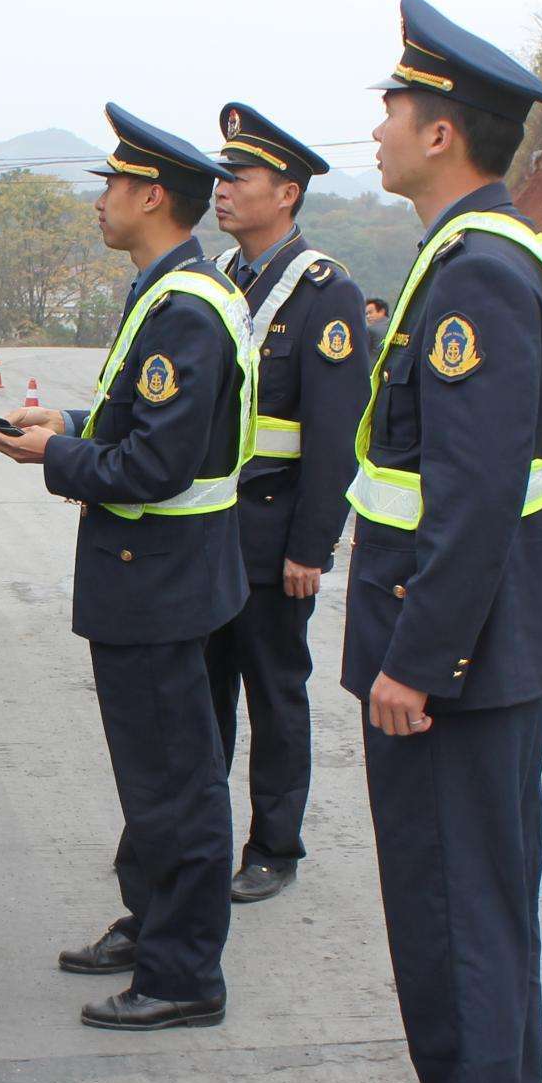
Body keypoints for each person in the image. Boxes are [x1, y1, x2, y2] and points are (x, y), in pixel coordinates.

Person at [330, 0, 542, 1083]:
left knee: (451, 895)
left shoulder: (476, 275)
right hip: (484, 650)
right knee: (485, 885)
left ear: (440, 135)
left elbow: (473, 497)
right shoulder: (481, 253)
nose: (375, 125)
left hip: (453, 661)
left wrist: (414, 660)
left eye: (391, 107)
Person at [0, 103, 254, 1031]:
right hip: (160, 576)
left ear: (151, 196)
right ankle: (152, 924)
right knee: (153, 775)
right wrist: (71, 424)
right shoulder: (167, 292)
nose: (99, 200)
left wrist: (50, 460)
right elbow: (138, 426)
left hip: (162, 579)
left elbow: (154, 467)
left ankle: (184, 974)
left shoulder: (186, 311)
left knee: (177, 782)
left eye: (111, 185)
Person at [203, 104, 369, 904]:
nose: (222, 189)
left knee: (273, 693)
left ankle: (274, 845)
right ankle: (196, 837)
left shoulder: (325, 293)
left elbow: (336, 437)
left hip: (275, 536)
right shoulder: (224, 281)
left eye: (240, 178)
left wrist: (313, 546)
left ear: (289, 194)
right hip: (209, 531)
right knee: (202, 693)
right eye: (221, 175)